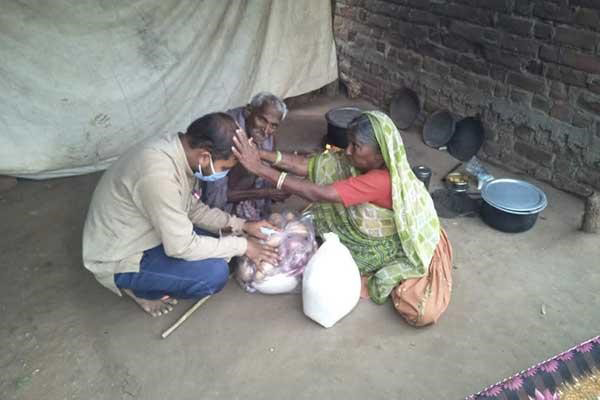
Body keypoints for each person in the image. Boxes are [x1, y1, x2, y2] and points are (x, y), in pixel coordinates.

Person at [232, 111, 453, 327]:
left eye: (356, 146)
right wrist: (261, 154)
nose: (347, 151)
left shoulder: (381, 181)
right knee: (315, 225)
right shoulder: (357, 162)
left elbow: (320, 193)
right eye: (349, 143)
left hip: (382, 241)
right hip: (364, 223)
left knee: (324, 245)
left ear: (379, 153)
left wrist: (260, 169)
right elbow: (309, 165)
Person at [83, 112, 279, 317]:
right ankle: (141, 291)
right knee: (212, 274)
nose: (225, 174)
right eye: (224, 168)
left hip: (148, 226)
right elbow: (181, 246)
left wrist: (243, 225)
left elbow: (192, 208)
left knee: (224, 238)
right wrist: (245, 246)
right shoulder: (159, 175)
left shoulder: (181, 150)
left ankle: (154, 275)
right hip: (121, 252)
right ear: (205, 156)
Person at [202, 92, 290, 221]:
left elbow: (264, 175)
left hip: (246, 200)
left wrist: (278, 187)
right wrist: (264, 193)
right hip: (216, 208)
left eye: (273, 125)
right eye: (261, 120)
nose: (266, 131)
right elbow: (215, 199)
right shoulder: (224, 135)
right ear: (248, 111)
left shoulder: (266, 136)